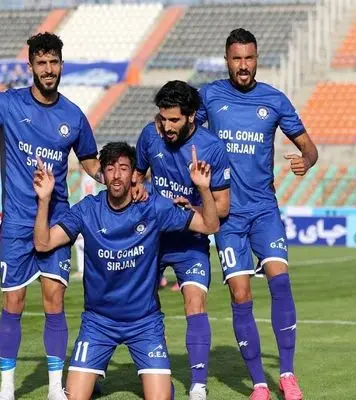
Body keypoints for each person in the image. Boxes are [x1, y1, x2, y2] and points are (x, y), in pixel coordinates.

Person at [0, 32, 141, 400]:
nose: (48, 69)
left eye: (54, 63)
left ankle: (54, 388)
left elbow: (90, 162)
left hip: (57, 222)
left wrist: (123, 180)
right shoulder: (8, 104)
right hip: (17, 224)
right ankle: (7, 388)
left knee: (54, 302)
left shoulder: (74, 116)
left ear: (61, 65)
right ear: (31, 65)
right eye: (41, 63)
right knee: (13, 304)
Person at [32, 142, 220, 400]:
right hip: (98, 322)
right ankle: (94, 373)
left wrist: (203, 188)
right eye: (110, 168)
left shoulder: (153, 207)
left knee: (160, 398)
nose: (117, 175)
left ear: (133, 175)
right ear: (102, 175)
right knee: (75, 397)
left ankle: (162, 383)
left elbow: (210, 225)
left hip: (144, 323)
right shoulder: (87, 209)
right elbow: (43, 243)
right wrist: (44, 200)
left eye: (123, 168)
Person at [195, 28, 318, 400]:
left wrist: (306, 161)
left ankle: (287, 374)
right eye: (237, 59)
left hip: (264, 210)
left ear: (257, 59)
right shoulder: (209, 96)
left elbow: (310, 148)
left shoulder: (275, 100)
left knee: (280, 281)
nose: (243, 65)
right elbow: (180, 130)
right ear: (227, 60)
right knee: (241, 294)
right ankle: (259, 384)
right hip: (226, 215)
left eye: (249, 58)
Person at [133, 80, 231, 400]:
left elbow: (223, 206)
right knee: (142, 305)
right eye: (163, 118)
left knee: (195, 303)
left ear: (191, 116)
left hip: (191, 240)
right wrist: (140, 191)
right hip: (154, 238)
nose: (167, 126)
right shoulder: (150, 136)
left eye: (174, 119)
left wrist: (195, 203)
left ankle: (198, 385)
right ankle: (158, 373)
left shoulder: (211, 147)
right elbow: (137, 178)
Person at [73, 165, 99, 279]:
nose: (78, 169)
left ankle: (86, 268)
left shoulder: (88, 177)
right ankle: (82, 269)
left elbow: (88, 192)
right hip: (87, 208)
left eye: (80, 166)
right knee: (79, 241)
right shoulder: (85, 176)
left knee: (82, 240)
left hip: (87, 209)